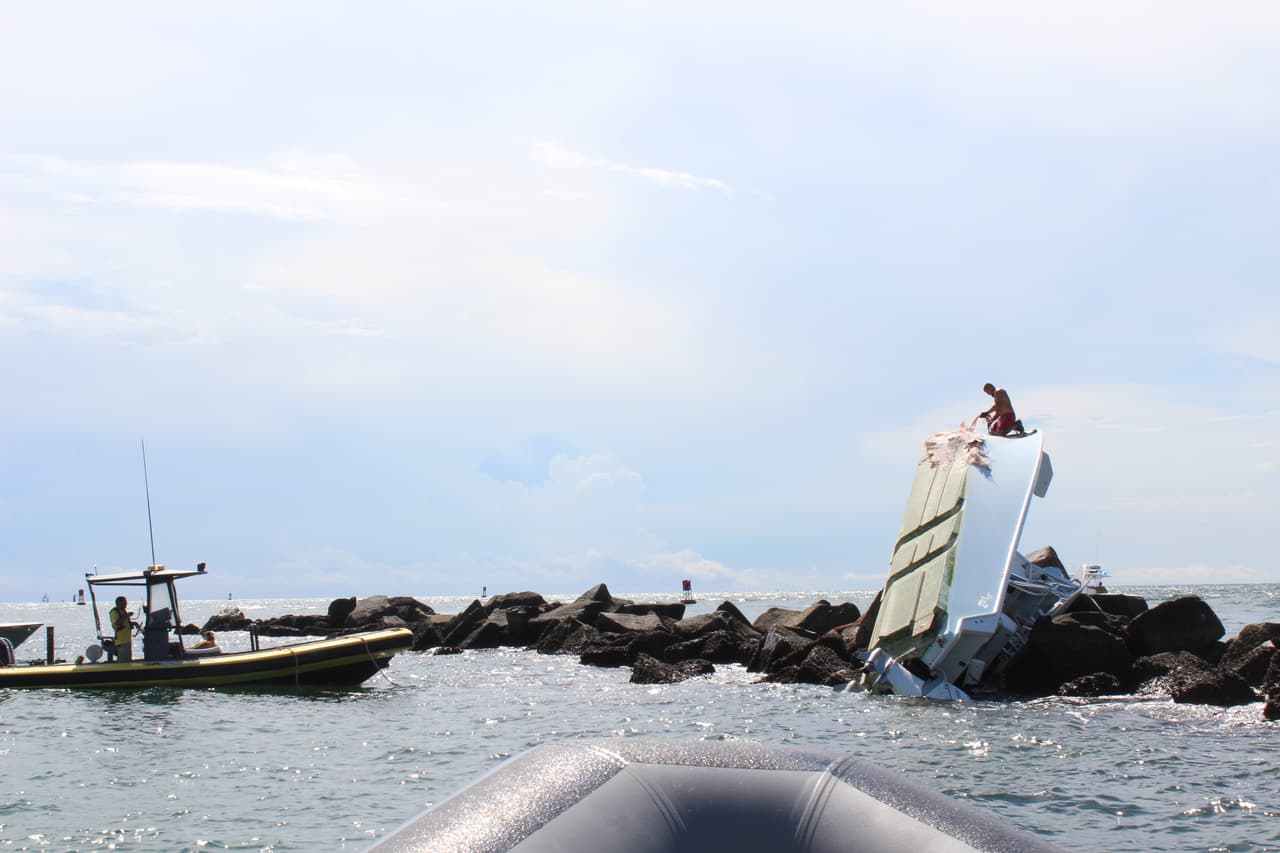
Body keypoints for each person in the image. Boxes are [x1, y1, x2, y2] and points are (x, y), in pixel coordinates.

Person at [108, 596, 140, 662]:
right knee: (123, 660)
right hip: (121, 641)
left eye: (126, 603)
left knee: (128, 660)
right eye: (124, 603)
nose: (125, 605)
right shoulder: (114, 612)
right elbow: (117, 623)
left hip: (127, 640)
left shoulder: (123, 612)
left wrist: (134, 623)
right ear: (119, 603)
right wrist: (126, 615)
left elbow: (126, 623)